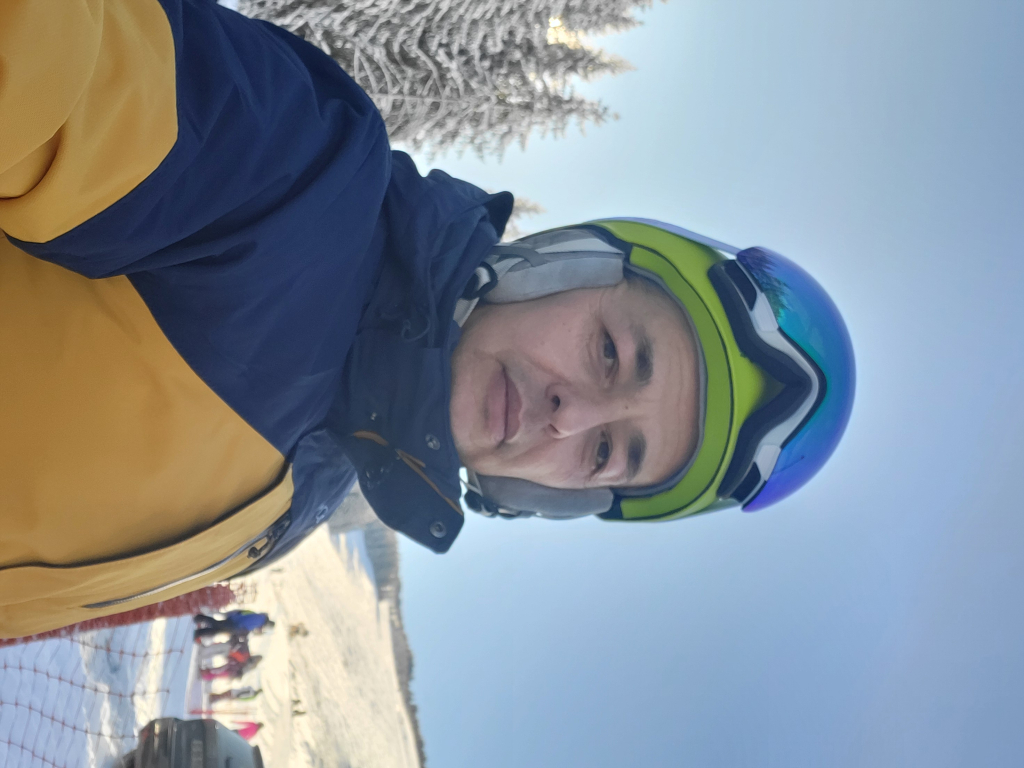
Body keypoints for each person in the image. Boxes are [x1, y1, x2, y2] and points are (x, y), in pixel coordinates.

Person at [0, 0, 855, 638]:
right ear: (566, 267)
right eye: (610, 352)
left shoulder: (319, 479)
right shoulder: (300, 187)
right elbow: (51, 54)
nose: (571, 418)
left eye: (606, 453)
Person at [194, 611, 274, 641]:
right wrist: (242, 631)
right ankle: (200, 619)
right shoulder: (259, 622)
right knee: (217, 626)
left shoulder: (260, 617)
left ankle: (199, 632)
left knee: (217, 629)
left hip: (235, 620)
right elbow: (247, 625)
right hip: (236, 624)